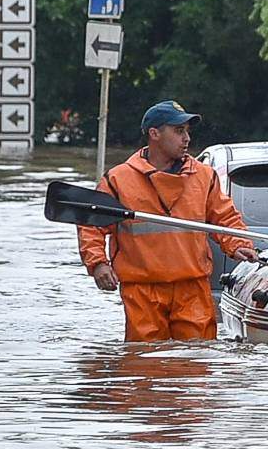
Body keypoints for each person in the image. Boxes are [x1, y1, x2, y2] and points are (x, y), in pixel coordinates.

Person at [78, 99, 254, 342]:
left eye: (187, 132)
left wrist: (239, 244)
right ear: (154, 134)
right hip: (142, 290)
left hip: (192, 287)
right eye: (179, 131)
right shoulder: (118, 180)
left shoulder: (204, 176)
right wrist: (98, 264)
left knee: (196, 364)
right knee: (144, 366)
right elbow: (92, 225)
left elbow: (224, 217)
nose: (187, 139)